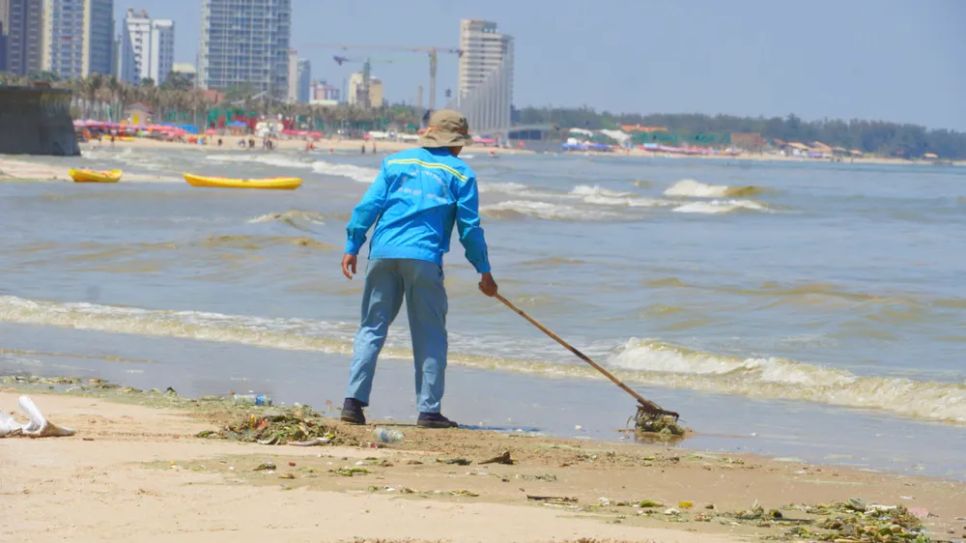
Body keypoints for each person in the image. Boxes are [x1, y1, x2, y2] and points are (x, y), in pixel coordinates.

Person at [340, 110, 498, 429]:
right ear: (457, 143)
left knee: (372, 327)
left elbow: (368, 206)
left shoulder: (395, 162)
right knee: (429, 333)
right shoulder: (462, 174)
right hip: (424, 257)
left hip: (382, 253)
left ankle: (352, 403)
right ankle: (428, 411)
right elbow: (469, 229)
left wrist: (352, 244)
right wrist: (484, 271)